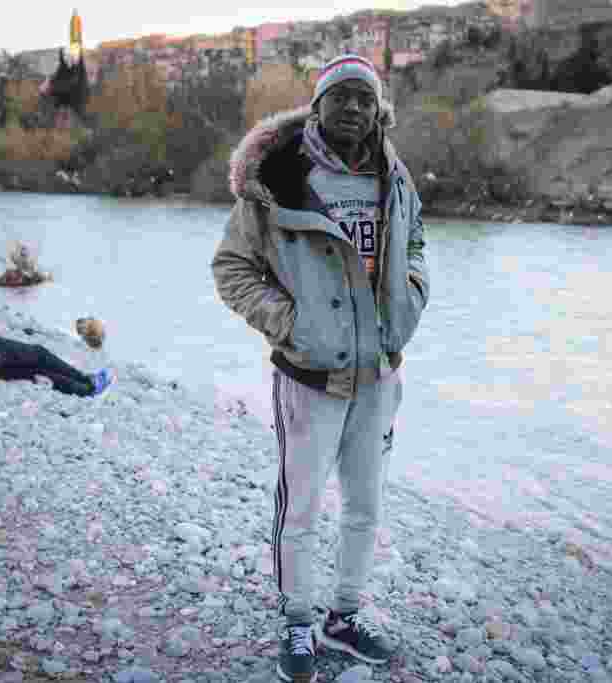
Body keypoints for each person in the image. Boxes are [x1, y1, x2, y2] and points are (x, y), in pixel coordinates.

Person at [211, 54, 429, 682]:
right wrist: (292, 325)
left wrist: (409, 298)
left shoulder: (396, 177)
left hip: (380, 374)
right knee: (300, 507)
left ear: (378, 109)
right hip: (310, 378)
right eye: (341, 97)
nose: (354, 108)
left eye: (365, 98)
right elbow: (231, 269)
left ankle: (345, 616)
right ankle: (298, 622)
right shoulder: (278, 179)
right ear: (318, 106)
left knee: (366, 506)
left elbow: (416, 242)